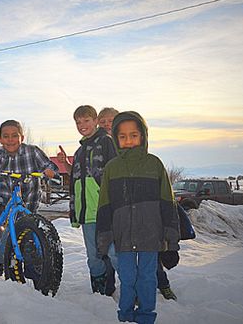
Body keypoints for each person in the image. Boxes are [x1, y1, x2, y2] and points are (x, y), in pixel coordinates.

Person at [96, 111, 180, 324]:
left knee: (147, 278)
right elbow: (104, 205)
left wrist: (171, 238)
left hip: (150, 236)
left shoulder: (154, 164)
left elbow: (167, 202)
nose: (129, 140)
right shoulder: (112, 168)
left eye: (133, 135)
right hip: (123, 237)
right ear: (116, 139)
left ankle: (146, 316)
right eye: (122, 136)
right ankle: (124, 315)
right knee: (127, 278)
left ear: (143, 136)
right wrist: (104, 237)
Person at [57, 105, 117, 295]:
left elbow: (114, 174)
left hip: (105, 210)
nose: (82, 125)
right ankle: (100, 293)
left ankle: (134, 291)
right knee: (94, 257)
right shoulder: (80, 150)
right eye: (78, 122)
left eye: (86, 120)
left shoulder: (106, 142)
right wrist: (66, 164)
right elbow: (77, 178)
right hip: (86, 213)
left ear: (95, 120)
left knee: (115, 254)